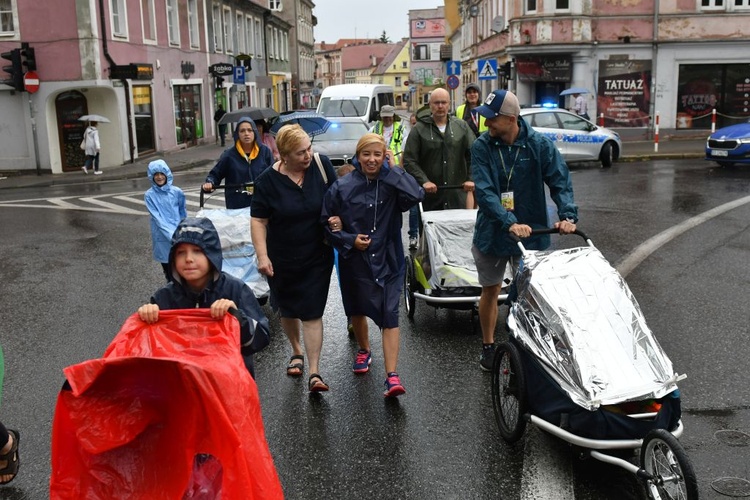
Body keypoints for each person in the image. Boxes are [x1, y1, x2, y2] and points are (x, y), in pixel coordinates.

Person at [471, 89, 578, 371]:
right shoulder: (482, 147)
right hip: (493, 232)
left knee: (527, 295)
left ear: (510, 118)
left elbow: (560, 181)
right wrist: (509, 222)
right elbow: (485, 192)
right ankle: (488, 346)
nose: (486, 124)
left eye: (492, 119)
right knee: (491, 290)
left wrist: (567, 215)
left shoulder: (539, 145)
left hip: (532, 233)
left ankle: (523, 346)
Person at [322, 133, 424, 397]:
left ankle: (392, 376)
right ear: (358, 156)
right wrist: (348, 239)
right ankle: (364, 350)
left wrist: (394, 169)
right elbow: (324, 224)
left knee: (390, 314)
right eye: (366, 154)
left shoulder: (392, 183)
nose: (372, 159)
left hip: (389, 257)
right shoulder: (342, 186)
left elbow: (416, 195)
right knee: (358, 307)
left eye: (378, 154)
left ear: (384, 156)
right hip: (355, 260)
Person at [250, 124, 336, 393]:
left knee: (311, 312)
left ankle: (314, 371)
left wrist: (338, 219)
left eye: (309, 148)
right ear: (283, 156)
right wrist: (262, 256)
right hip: (281, 257)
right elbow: (258, 220)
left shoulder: (321, 166)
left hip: (317, 255)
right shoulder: (266, 181)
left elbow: (339, 198)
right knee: (287, 308)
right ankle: (296, 350)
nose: (308, 156)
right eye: (300, 153)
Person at [137, 217, 270, 378]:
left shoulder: (234, 289)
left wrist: (237, 317)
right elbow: (148, 351)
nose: (188, 259)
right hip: (184, 387)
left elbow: (261, 338)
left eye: (198, 251)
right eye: (180, 252)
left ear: (212, 254)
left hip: (229, 385)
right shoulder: (164, 297)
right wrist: (147, 316)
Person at [402, 88, 475, 212]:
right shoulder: (419, 129)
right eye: (436, 103)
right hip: (430, 199)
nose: (440, 106)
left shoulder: (461, 126)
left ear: (449, 104)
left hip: (457, 197)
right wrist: (424, 181)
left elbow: (474, 154)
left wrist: (470, 178)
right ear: (430, 105)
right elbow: (409, 160)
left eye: (443, 102)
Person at [202, 117, 274, 209]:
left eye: (249, 130)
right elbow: (215, 174)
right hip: (237, 206)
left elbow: (273, 174)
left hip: (261, 204)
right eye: (242, 131)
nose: (246, 134)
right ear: (237, 134)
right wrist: (210, 183)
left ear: (254, 132)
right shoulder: (229, 155)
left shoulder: (265, 152)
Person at [144, 159, 187, 282]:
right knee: (169, 270)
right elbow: (158, 219)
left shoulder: (177, 192)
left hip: (178, 234)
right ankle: (173, 297)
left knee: (181, 267)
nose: (159, 177)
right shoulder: (149, 195)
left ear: (167, 174)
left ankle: (184, 296)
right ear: (151, 176)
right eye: (155, 174)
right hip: (162, 237)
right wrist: (171, 235)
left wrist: (183, 229)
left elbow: (182, 212)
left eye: (161, 173)